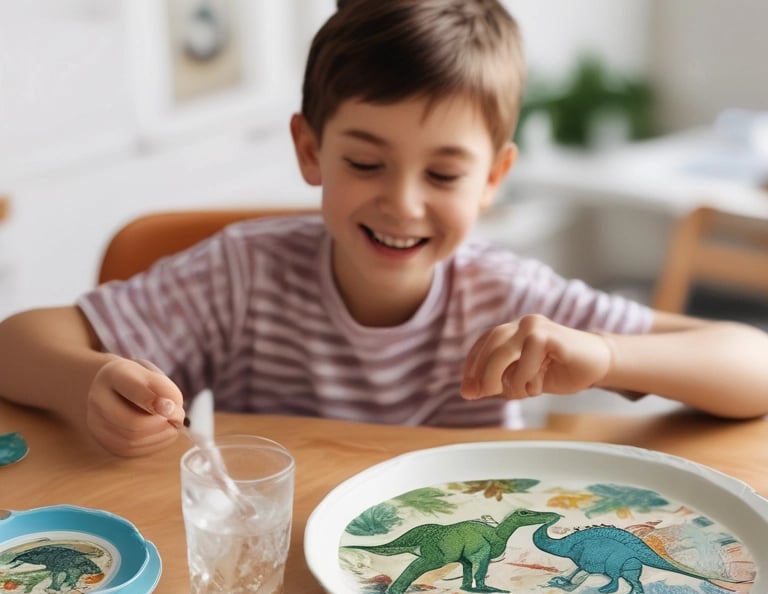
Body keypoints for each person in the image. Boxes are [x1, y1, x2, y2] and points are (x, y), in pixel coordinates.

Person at [1, 0, 767, 457]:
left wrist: (603, 356)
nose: (403, 204)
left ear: (494, 179)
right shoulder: (239, 278)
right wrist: (88, 383)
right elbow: (17, 342)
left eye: (442, 175)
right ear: (310, 150)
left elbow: (752, 365)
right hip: (274, 575)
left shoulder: (504, 293)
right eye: (366, 162)